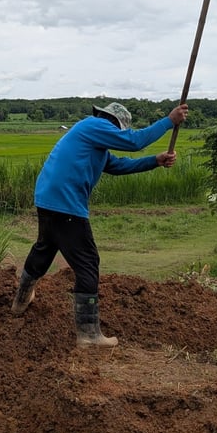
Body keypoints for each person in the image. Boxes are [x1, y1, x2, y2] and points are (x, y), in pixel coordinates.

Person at [11, 101, 189, 348]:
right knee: (88, 263)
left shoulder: (94, 142)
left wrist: (155, 161)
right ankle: (88, 335)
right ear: (114, 122)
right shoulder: (95, 125)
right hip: (66, 203)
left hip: (48, 198)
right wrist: (169, 120)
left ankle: (20, 300)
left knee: (45, 248)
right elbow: (134, 141)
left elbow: (119, 165)